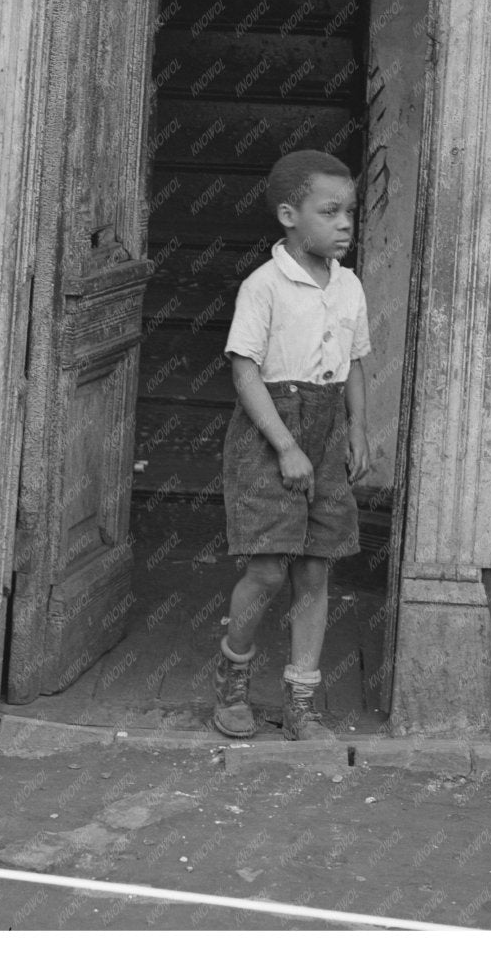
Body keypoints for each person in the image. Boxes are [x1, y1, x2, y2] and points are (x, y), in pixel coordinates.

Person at [211, 149, 371, 741]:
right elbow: (244, 372)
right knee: (269, 570)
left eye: (349, 212)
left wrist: (356, 428)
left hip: (326, 430)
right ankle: (233, 679)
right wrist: (285, 446)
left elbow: (355, 362)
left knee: (313, 570)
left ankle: (301, 701)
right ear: (288, 215)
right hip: (271, 434)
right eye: (329, 212)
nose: (345, 223)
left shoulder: (349, 286)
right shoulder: (265, 286)